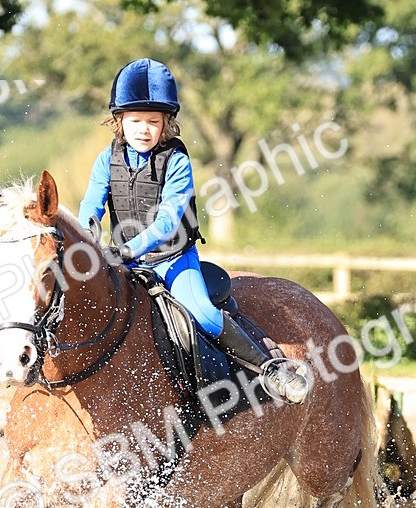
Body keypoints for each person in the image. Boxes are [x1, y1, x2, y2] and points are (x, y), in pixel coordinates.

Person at [78, 57, 309, 404]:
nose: (144, 129)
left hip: (172, 259)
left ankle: (271, 369)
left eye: (153, 122)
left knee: (201, 312)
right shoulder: (105, 160)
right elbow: (92, 204)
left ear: (166, 123)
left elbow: (168, 220)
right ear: (119, 121)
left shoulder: (177, 161)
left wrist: (128, 250)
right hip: (122, 262)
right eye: (136, 120)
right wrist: (87, 236)